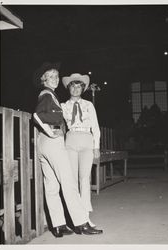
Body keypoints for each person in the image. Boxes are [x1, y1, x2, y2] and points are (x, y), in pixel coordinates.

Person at [33, 62, 103, 237]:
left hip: (44, 143)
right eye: (51, 77)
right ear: (44, 80)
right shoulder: (48, 95)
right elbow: (37, 115)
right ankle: (81, 222)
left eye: (56, 76)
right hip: (54, 141)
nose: (55, 79)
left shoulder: (50, 95)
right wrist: (50, 132)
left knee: (52, 185)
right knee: (69, 182)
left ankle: (58, 225)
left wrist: (96, 146)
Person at [61, 73, 100, 227]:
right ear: (68, 88)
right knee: (72, 180)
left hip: (86, 140)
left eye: (79, 86)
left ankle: (85, 215)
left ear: (83, 89)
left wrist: (96, 146)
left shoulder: (89, 105)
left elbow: (95, 127)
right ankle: (75, 216)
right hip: (71, 139)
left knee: (85, 179)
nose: (76, 89)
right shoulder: (64, 106)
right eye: (73, 86)